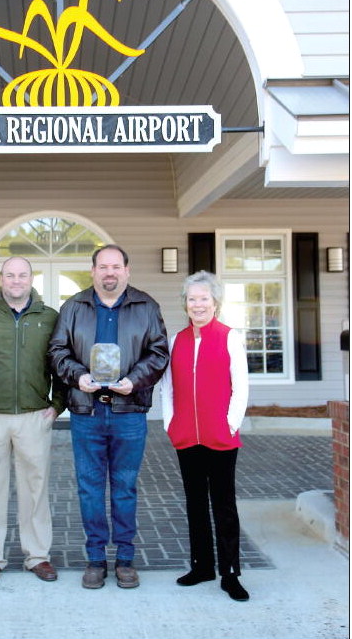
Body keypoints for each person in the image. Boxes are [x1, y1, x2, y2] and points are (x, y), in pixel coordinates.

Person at [48, 244, 169, 589]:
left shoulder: (146, 306)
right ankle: (96, 558)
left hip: (128, 412)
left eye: (116, 266)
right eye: (103, 267)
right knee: (89, 488)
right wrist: (77, 376)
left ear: (127, 271)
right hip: (86, 411)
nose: (110, 273)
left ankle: (126, 558)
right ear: (93, 271)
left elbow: (159, 352)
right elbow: (57, 351)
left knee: (125, 487)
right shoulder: (73, 307)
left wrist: (135, 381)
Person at [0, 256, 65, 584]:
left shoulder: (49, 317)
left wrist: (58, 404)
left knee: (35, 489)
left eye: (22, 275)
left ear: (31, 278)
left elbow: (62, 361)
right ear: (1, 279)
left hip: (35, 416)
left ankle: (37, 556)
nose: (16, 281)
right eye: (10, 275)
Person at [160, 270, 250, 602]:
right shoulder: (176, 340)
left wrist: (229, 423)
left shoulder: (229, 337)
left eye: (204, 299)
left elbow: (240, 387)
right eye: (192, 299)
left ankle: (230, 573)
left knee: (224, 504)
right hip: (186, 434)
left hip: (220, 436)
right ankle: (202, 566)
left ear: (215, 302)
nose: (198, 304)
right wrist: (171, 422)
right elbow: (167, 388)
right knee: (195, 503)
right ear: (185, 303)